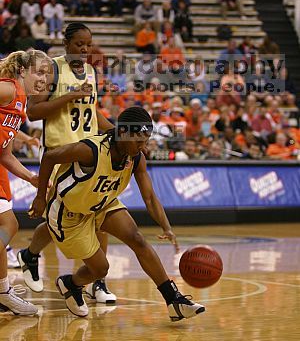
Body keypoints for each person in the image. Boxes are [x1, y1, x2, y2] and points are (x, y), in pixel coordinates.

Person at [30, 106, 206, 321]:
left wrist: (166, 227)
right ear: (122, 133)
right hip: (69, 214)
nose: (143, 147)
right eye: (138, 141)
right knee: (101, 270)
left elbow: (149, 197)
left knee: (137, 239)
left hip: (102, 204)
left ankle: (173, 300)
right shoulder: (90, 150)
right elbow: (49, 157)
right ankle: (71, 283)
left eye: (146, 141)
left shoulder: (136, 157)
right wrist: (40, 197)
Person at [17, 22, 117, 305]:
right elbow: (34, 112)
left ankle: (99, 281)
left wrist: (118, 133)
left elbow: (91, 112)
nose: (84, 49)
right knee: (62, 218)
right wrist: (71, 95)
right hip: (58, 154)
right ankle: (30, 254)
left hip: (87, 154)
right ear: (66, 44)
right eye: (79, 44)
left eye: (88, 44)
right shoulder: (51, 69)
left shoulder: (92, 73)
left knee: (97, 214)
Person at [0, 49, 50, 315]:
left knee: (8, 225)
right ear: (22, 71)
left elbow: (5, 154)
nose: (43, 79)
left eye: (47, 75)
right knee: (8, 225)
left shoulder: (20, 105)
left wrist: (31, 177)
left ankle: (3, 293)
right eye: (39, 72)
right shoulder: (8, 89)